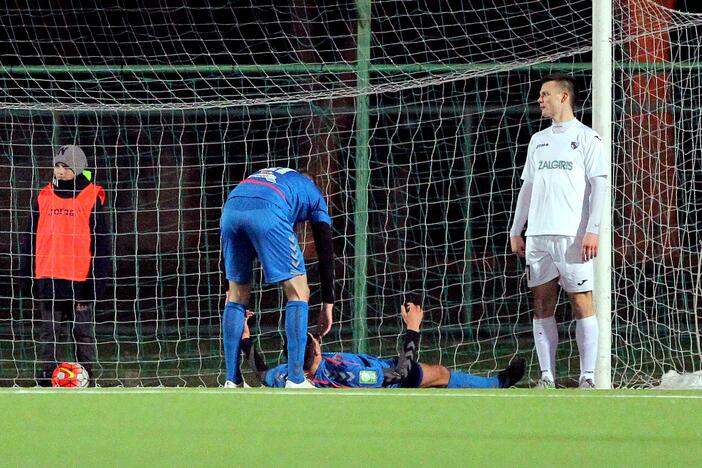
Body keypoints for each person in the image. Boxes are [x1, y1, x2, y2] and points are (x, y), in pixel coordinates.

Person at [510, 73, 607, 389]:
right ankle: (547, 377)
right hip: (538, 236)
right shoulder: (539, 140)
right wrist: (516, 229)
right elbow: (528, 188)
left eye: (545, 94)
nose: (540, 99)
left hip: (573, 236)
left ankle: (588, 378)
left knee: (582, 302)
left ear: (564, 96)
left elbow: (600, 186)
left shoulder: (588, 138)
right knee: (541, 305)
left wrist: (593, 230)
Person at [220, 167, 335, 389]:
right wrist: (328, 303)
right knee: (299, 291)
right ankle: (296, 378)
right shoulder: (313, 193)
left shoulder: (274, 176)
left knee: (236, 294)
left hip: (231, 209)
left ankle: (232, 379)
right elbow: (326, 251)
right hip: (269, 212)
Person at [239, 303, 525, 389]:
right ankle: (498, 383)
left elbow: (259, 371)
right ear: (314, 350)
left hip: (376, 366)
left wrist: (245, 334)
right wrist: (412, 328)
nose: (314, 335)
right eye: (312, 337)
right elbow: (399, 374)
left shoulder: (286, 374)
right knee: (439, 373)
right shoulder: (343, 371)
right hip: (389, 375)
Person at [18, 145, 110, 386]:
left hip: (79, 280)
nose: (59, 171)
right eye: (57, 166)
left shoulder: (91, 196)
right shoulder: (43, 196)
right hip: (48, 277)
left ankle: (88, 379)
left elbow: (102, 244)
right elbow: (29, 238)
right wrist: (25, 273)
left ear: (78, 169)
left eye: (65, 167)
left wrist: (97, 281)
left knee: (83, 334)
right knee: (49, 335)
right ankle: (45, 381)